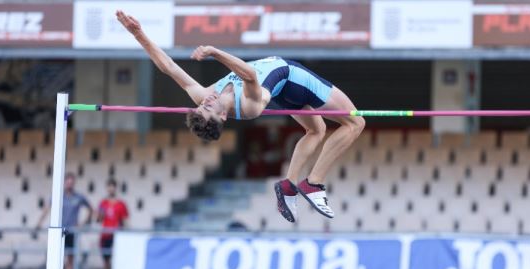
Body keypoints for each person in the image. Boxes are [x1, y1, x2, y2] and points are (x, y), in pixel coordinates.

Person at [116, 11, 365, 223]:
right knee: (355, 123)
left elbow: (168, 67)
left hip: (282, 91)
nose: (207, 100)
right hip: (293, 78)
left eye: (203, 105)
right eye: (209, 107)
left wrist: (138, 34)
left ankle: (289, 184)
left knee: (316, 131)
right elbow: (249, 74)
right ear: (223, 115)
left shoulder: (204, 95)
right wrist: (215, 52)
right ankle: (315, 182)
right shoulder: (248, 106)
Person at [37, 172, 93, 269]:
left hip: (72, 231)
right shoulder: (58, 196)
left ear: (74, 183)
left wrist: (83, 223)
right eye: (68, 182)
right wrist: (39, 223)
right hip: (59, 231)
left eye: (71, 182)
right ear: (64, 183)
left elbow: (90, 209)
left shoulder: (78, 197)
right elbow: (47, 209)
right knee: (57, 256)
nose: (69, 184)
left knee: (71, 256)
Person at [97, 178, 129, 269]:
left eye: (113, 187)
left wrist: (125, 232)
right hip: (105, 235)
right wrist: (100, 215)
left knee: (115, 258)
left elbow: (125, 220)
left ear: (115, 188)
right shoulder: (103, 203)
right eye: (109, 187)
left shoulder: (121, 204)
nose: (111, 189)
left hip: (116, 235)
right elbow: (98, 220)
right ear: (107, 188)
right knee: (106, 259)